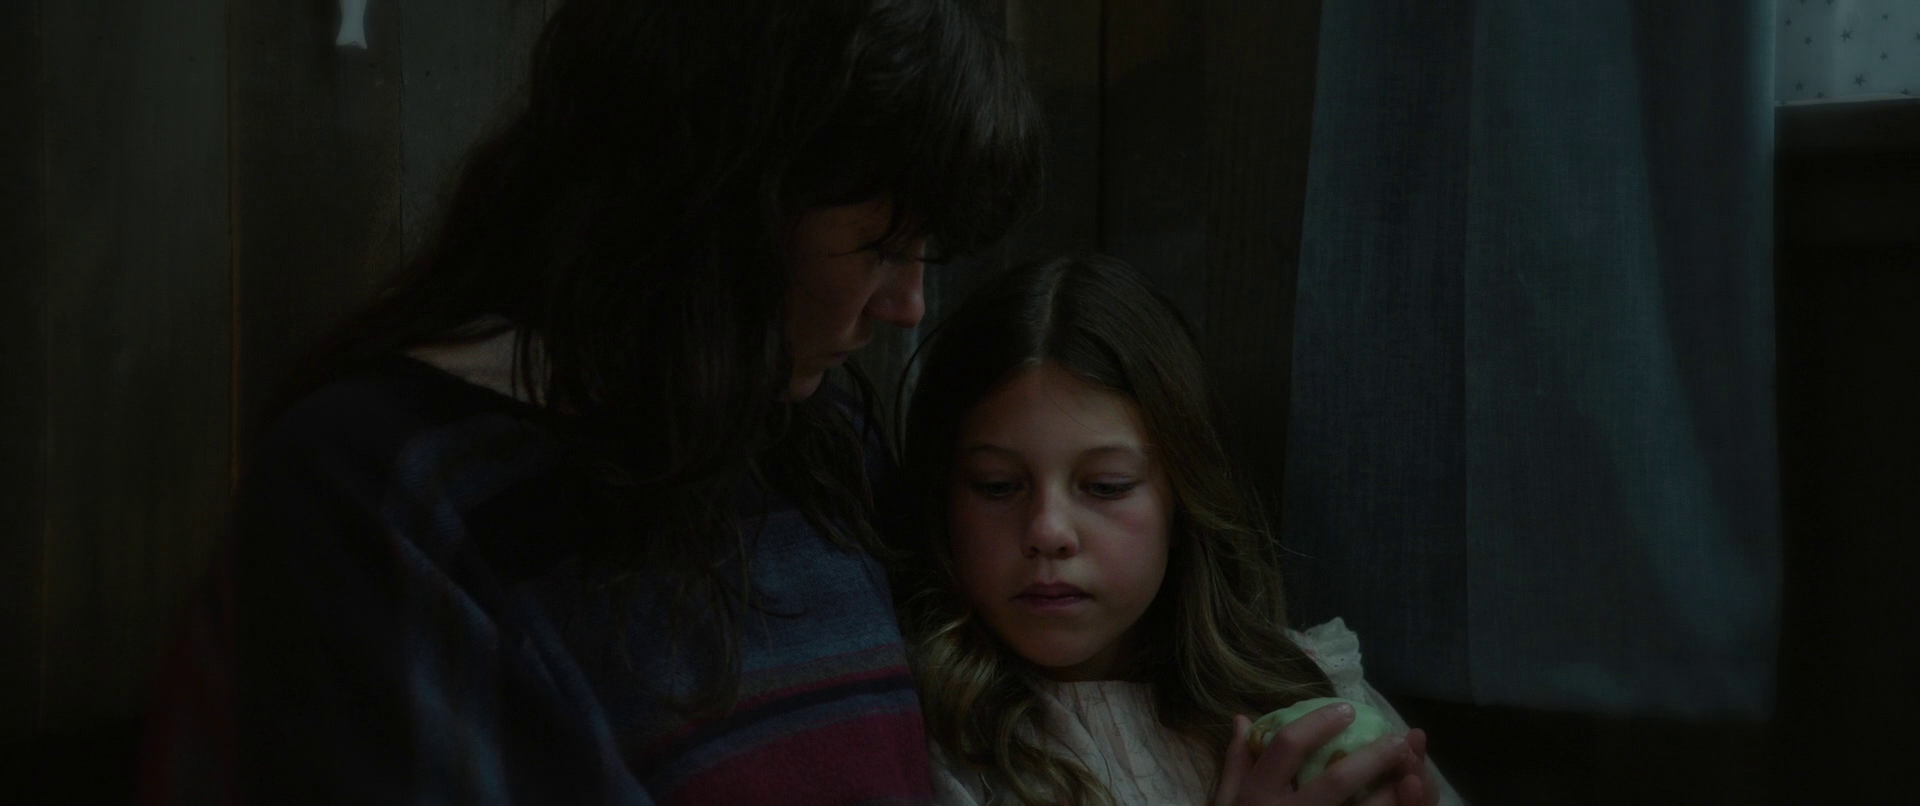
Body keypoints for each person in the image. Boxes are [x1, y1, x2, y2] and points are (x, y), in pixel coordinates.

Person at [135, 0, 1041, 802]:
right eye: (881, 247)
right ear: (719, 208)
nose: (907, 305)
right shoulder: (382, 490)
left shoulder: (817, 440)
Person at [894, 256, 1465, 806]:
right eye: (997, 486)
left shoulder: (1307, 695)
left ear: (1182, 502)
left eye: (1106, 486)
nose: (1048, 531)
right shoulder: (918, 735)